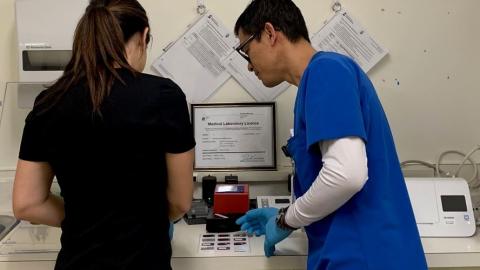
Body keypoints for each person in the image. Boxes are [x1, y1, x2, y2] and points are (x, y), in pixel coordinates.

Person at [234, 0, 427, 269]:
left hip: (365, 258)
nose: (249, 66)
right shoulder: (315, 82)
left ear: (269, 33)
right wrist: (286, 214)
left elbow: (346, 176)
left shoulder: (327, 70)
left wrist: (286, 219)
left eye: (246, 50)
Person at [12, 0, 195, 269]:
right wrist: (142, 222)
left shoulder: (49, 101)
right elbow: (180, 201)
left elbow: (27, 204)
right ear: (144, 36)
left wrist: (83, 218)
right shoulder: (164, 96)